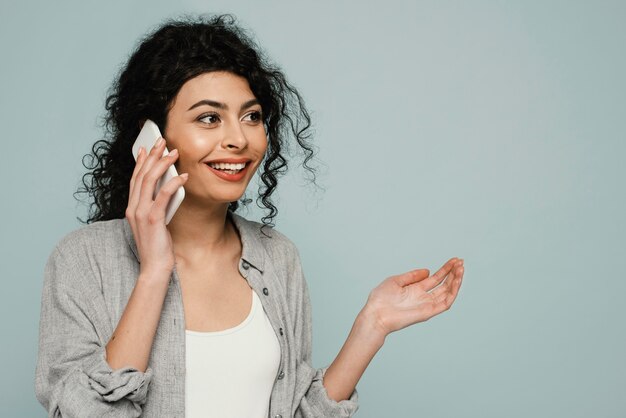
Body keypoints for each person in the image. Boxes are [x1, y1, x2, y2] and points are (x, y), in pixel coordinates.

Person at [34, 14, 465, 418]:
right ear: (150, 139)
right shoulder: (83, 260)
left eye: (251, 117)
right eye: (209, 118)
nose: (238, 138)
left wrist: (372, 325)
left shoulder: (277, 258)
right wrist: (154, 271)